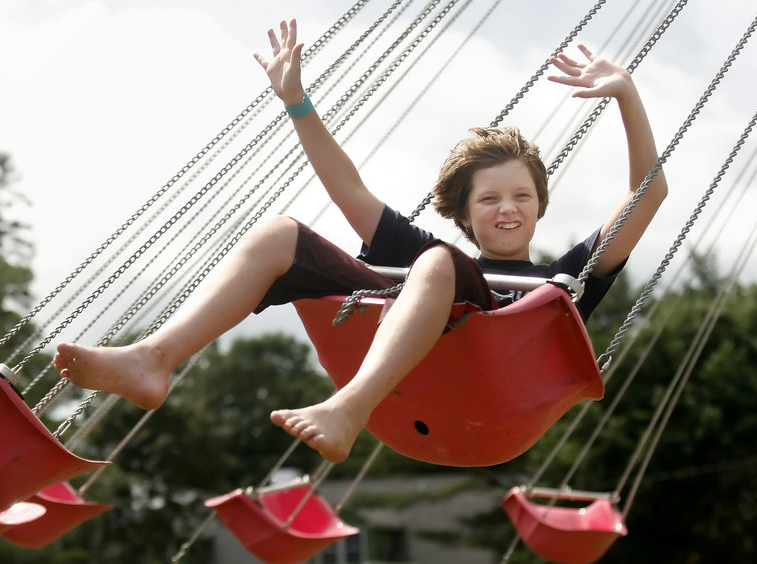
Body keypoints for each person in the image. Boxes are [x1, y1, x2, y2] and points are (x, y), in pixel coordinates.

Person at [53, 19, 667, 464]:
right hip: (418, 401)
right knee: (281, 236)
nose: (508, 209)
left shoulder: (566, 279)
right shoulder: (433, 259)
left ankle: (347, 408)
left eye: (521, 197)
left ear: (539, 205)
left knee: (436, 266)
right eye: (489, 198)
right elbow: (347, 188)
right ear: (463, 210)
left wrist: (627, 95)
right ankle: (153, 360)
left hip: (495, 415)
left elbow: (650, 192)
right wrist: (297, 103)